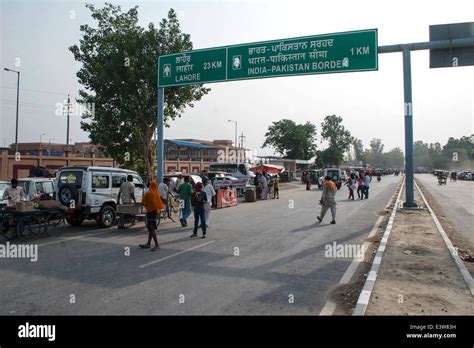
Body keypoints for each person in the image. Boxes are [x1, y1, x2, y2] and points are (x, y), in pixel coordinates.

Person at [139, 181, 164, 251]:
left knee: (151, 229)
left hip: (150, 212)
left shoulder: (149, 194)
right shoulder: (157, 193)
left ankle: (157, 245)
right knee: (151, 229)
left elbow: (143, 202)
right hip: (155, 212)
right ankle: (148, 243)